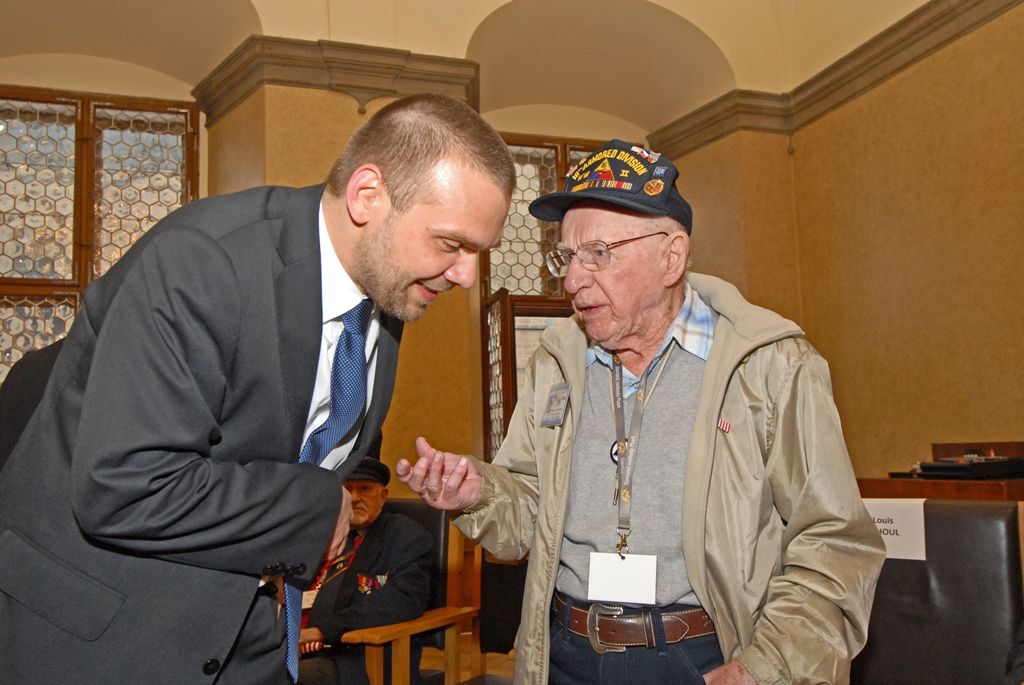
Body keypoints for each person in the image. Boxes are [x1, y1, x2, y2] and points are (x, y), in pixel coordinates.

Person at [0, 93, 513, 684]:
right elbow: (123, 486)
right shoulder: (203, 263)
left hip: (246, 631)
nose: (467, 276)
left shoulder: (388, 290)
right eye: (451, 244)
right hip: (103, 636)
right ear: (368, 196)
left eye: (479, 252)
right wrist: (320, 506)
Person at [398, 139, 886, 684]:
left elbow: (834, 544)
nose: (573, 279)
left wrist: (764, 668)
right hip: (564, 655)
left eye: (599, 254)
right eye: (567, 256)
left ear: (671, 257)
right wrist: (478, 493)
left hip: (704, 659)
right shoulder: (555, 365)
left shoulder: (770, 368)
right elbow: (532, 519)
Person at [298, 457, 433, 685]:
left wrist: (323, 630)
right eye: (347, 488)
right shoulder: (320, 534)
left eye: (365, 489)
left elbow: (403, 600)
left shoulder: (405, 536)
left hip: (361, 658)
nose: (354, 497)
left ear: (384, 496)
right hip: (300, 647)